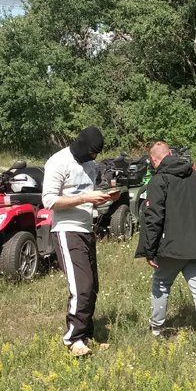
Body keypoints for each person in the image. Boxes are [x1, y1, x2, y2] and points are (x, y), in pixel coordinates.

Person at [42, 126, 119, 357]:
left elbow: (86, 194)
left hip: (86, 228)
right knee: (81, 287)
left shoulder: (90, 164)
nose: (94, 158)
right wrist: (86, 198)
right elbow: (49, 201)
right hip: (66, 231)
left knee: (93, 287)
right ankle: (73, 339)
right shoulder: (58, 162)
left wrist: (103, 197)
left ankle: (87, 335)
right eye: (92, 153)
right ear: (83, 146)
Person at [135, 141, 196, 346]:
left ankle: (156, 329)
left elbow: (153, 218)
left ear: (154, 160)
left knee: (161, 284)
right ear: (171, 153)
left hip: (170, 248)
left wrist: (149, 250)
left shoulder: (158, 180)